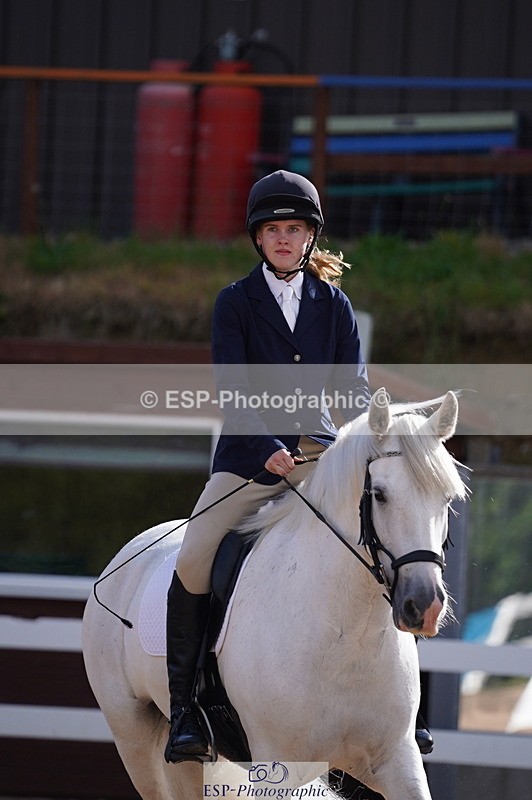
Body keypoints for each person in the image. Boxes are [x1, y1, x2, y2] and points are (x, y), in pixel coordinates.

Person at [164, 170, 428, 765]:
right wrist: (264, 446)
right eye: (275, 230)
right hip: (248, 463)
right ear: (258, 238)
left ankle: (406, 714)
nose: (285, 239)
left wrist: (369, 436)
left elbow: (352, 387)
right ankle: (187, 710)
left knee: (385, 547)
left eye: (295, 230)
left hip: (318, 460)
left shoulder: (333, 304)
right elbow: (234, 388)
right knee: (196, 553)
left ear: (310, 238)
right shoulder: (235, 302)